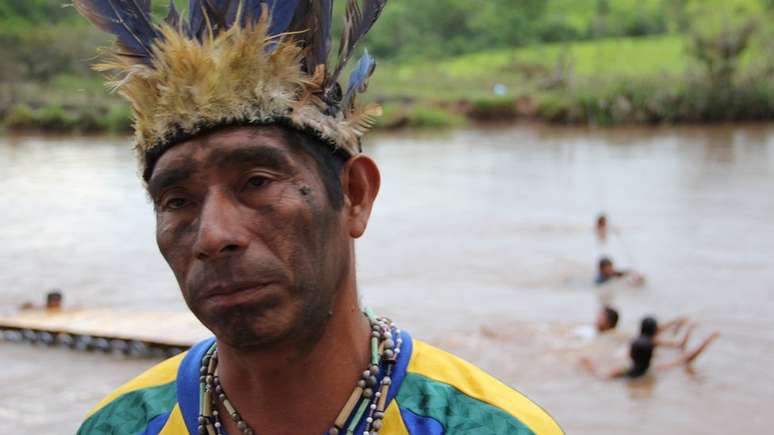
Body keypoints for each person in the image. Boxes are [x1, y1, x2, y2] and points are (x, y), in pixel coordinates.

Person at [73, 1, 562, 434]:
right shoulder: (122, 425)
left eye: (257, 182)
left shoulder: (486, 426)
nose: (213, 236)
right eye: (177, 200)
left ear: (354, 195)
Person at [580, 316, 719, 380]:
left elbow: (601, 376)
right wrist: (706, 341)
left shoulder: (623, 371)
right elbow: (685, 359)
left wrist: (589, 364)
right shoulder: (654, 370)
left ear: (631, 355)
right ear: (652, 355)